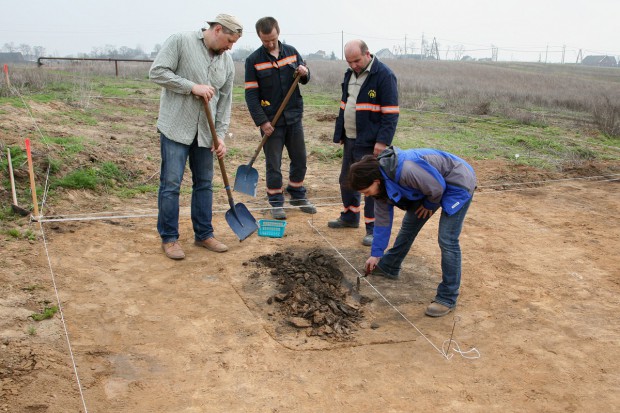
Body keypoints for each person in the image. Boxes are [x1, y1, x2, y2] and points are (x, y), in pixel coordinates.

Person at [149, 14, 243, 260]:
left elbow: (225, 102)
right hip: (176, 128)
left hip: (206, 134)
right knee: (171, 184)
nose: (230, 47)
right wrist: (191, 87)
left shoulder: (227, 62)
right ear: (217, 29)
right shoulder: (180, 41)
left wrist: (220, 136)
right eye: (229, 41)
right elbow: (157, 72)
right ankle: (169, 239)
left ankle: (204, 234)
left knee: (204, 184)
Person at [347, 147, 476, 317]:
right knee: (409, 225)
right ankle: (389, 266)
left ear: (376, 181)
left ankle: (447, 296)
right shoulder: (381, 189)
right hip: (430, 187)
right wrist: (376, 254)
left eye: (366, 191)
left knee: (447, 238)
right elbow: (383, 223)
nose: (367, 195)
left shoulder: (406, 170)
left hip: (457, 181)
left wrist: (429, 205)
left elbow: (437, 187)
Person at [328, 39, 399, 246]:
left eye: (356, 61)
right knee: (346, 180)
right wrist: (340, 131)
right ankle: (350, 216)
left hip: (371, 142)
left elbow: (391, 114)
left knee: (369, 185)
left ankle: (373, 228)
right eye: (349, 62)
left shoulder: (384, 75)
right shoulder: (349, 74)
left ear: (367, 54)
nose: (353, 65)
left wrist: (383, 141)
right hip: (351, 138)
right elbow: (345, 105)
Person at [244, 16, 316, 220]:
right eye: (265, 40)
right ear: (259, 37)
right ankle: (276, 201)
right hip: (271, 122)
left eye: (273, 39)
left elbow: (305, 80)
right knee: (273, 163)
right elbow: (250, 95)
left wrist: (305, 72)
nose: (270, 43)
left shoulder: (292, 53)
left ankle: (296, 193)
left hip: (293, 117)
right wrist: (262, 121)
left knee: (300, 159)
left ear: (278, 32)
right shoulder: (253, 61)